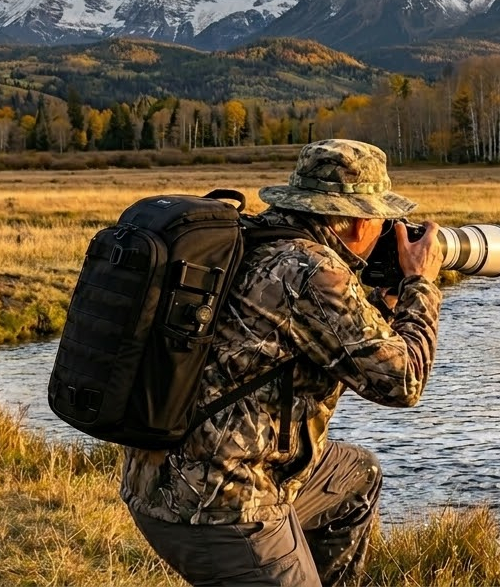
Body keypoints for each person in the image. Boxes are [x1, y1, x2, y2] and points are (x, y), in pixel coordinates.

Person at [120, 138, 443, 587]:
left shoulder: (252, 238)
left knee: (356, 477)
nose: (387, 230)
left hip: (156, 484)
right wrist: (421, 285)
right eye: (381, 219)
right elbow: (403, 381)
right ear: (353, 221)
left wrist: (386, 301)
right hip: (222, 505)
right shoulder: (311, 270)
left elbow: (347, 349)